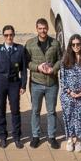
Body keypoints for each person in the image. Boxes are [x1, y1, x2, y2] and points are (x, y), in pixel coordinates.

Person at [25, 18, 61, 149]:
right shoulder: (30, 44)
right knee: (35, 111)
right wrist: (37, 67)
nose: (43, 31)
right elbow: (26, 62)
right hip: (36, 83)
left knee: (51, 111)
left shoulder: (55, 43)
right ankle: (36, 136)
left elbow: (61, 60)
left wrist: (54, 69)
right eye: (40, 28)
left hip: (51, 83)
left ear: (47, 28)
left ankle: (52, 137)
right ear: (36, 29)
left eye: (44, 28)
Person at [0, 25, 28, 148]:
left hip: (14, 83)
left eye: (11, 35)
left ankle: (17, 137)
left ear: (13, 35)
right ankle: (3, 136)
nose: (9, 37)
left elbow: (23, 69)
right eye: (6, 35)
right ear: (3, 36)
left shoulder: (20, 49)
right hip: (0, 83)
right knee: (0, 110)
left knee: (15, 110)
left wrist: (23, 85)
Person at [58, 34, 81, 153]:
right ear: (70, 46)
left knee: (80, 117)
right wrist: (70, 92)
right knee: (69, 117)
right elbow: (62, 78)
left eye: (78, 44)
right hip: (68, 95)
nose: (76, 46)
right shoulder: (65, 59)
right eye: (73, 44)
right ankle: (69, 139)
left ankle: (78, 140)